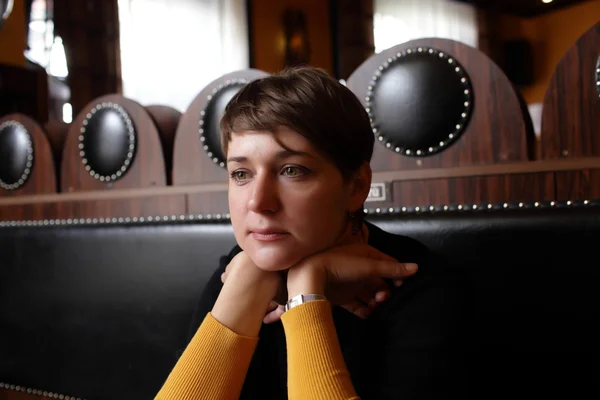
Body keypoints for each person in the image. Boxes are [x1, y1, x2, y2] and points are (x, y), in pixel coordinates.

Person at [156, 66, 470, 399]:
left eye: (292, 170)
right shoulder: (238, 272)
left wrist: (306, 290)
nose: (259, 202)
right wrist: (246, 285)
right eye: (241, 174)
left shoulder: (426, 294)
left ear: (357, 186)